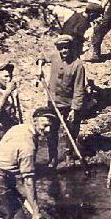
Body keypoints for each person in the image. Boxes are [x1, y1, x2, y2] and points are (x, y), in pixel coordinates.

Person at [37, 34, 86, 167]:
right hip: (53, 101)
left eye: (66, 48)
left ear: (71, 48)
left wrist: (75, 109)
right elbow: (41, 57)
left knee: (72, 129)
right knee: (52, 130)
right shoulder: (54, 56)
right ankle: (53, 157)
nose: (64, 51)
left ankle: (69, 154)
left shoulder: (78, 65)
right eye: (61, 48)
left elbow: (79, 89)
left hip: (69, 104)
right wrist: (39, 68)